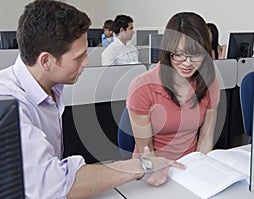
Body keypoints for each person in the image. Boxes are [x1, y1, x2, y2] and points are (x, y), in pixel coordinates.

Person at [0, 1, 185, 198]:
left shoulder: (50, 87)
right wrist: (142, 166)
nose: (87, 62)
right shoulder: (9, 102)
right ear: (46, 61)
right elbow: (53, 184)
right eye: (79, 57)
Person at [126, 12, 220, 160]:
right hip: (151, 168)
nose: (188, 63)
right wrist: (160, 173)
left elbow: (205, 140)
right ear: (167, 51)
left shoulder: (210, 83)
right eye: (179, 54)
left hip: (189, 166)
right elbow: (146, 151)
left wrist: (199, 169)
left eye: (196, 54)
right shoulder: (142, 87)